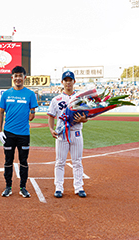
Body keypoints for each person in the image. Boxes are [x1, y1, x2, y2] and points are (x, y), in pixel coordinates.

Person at [0, 66, 38, 198]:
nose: (18, 78)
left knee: (23, 161)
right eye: (15, 76)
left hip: (24, 134)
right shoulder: (6, 94)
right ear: (12, 78)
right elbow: (1, 113)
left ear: (24, 77)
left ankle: (23, 187)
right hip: (9, 133)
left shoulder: (30, 94)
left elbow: (32, 114)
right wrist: (0, 131)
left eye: (20, 75)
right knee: (8, 161)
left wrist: (29, 114)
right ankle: (8, 186)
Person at [47, 70, 88, 198]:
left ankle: (79, 187)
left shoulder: (81, 99)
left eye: (70, 80)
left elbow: (86, 117)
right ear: (62, 82)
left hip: (76, 132)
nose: (68, 82)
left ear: (74, 82)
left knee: (77, 161)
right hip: (62, 134)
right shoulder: (56, 99)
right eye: (66, 80)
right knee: (60, 162)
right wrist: (51, 129)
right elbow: (51, 116)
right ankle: (59, 188)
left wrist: (83, 120)